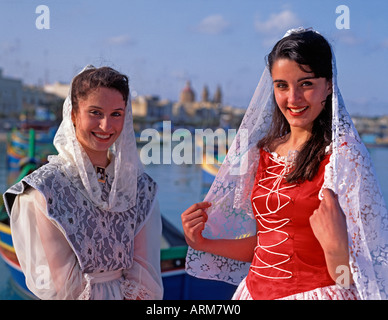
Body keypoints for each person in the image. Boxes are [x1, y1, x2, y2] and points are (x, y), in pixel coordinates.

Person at [182, 28, 388, 299]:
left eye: (306, 84)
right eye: (282, 85)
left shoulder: (343, 157)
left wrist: (336, 248)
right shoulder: (263, 152)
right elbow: (266, 244)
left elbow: (359, 275)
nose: (293, 98)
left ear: (328, 85)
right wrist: (203, 242)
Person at [4, 66, 163, 300]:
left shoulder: (140, 186)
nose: (106, 126)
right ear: (73, 115)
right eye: (96, 113)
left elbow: (144, 273)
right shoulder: (46, 188)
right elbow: (63, 286)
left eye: (116, 114)